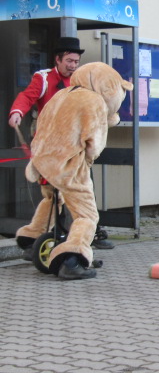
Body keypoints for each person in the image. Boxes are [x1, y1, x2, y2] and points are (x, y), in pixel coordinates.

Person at [15, 63, 133, 279]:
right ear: (107, 86)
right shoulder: (94, 101)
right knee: (86, 215)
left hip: (44, 161)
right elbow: (94, 142)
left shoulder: (62, 95)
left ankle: (32, 236)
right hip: (69, 165)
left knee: (53, 199)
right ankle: (72, 259)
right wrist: (87, 160)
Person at [8, 36, 114, 251]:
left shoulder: (81, 81)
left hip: (76, 149)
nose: (73, 66)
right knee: (53, 194)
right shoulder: (44, 78)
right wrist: (17, 112)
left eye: (76, 62)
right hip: (52, 147)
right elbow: (27, 96)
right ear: (58, 59)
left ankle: (91, 233)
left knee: (84, 192)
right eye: (69, 61)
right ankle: (49, 235)